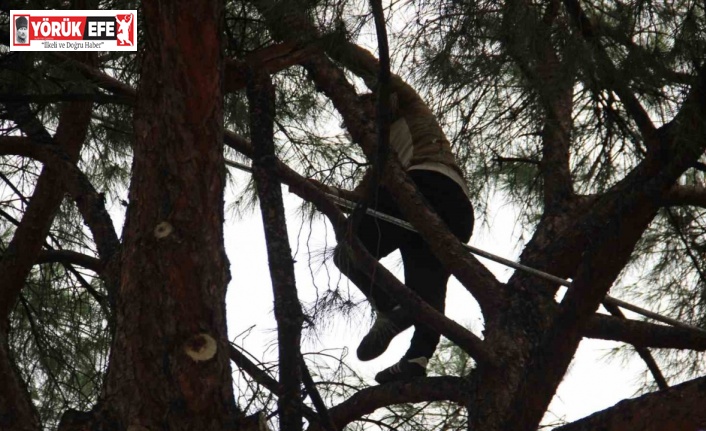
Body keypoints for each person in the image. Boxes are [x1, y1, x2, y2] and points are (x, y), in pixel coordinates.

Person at [333, 91, 474, 384]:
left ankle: (390, 309)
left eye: (371, 105)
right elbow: (359, 197)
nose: (369, 115)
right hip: (453, 210)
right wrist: (326, 192)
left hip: (426, 185)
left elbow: (372, 69)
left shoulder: (409, 105)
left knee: (349, 250)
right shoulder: (382, 154)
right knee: (427, 290)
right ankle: (416, 360)